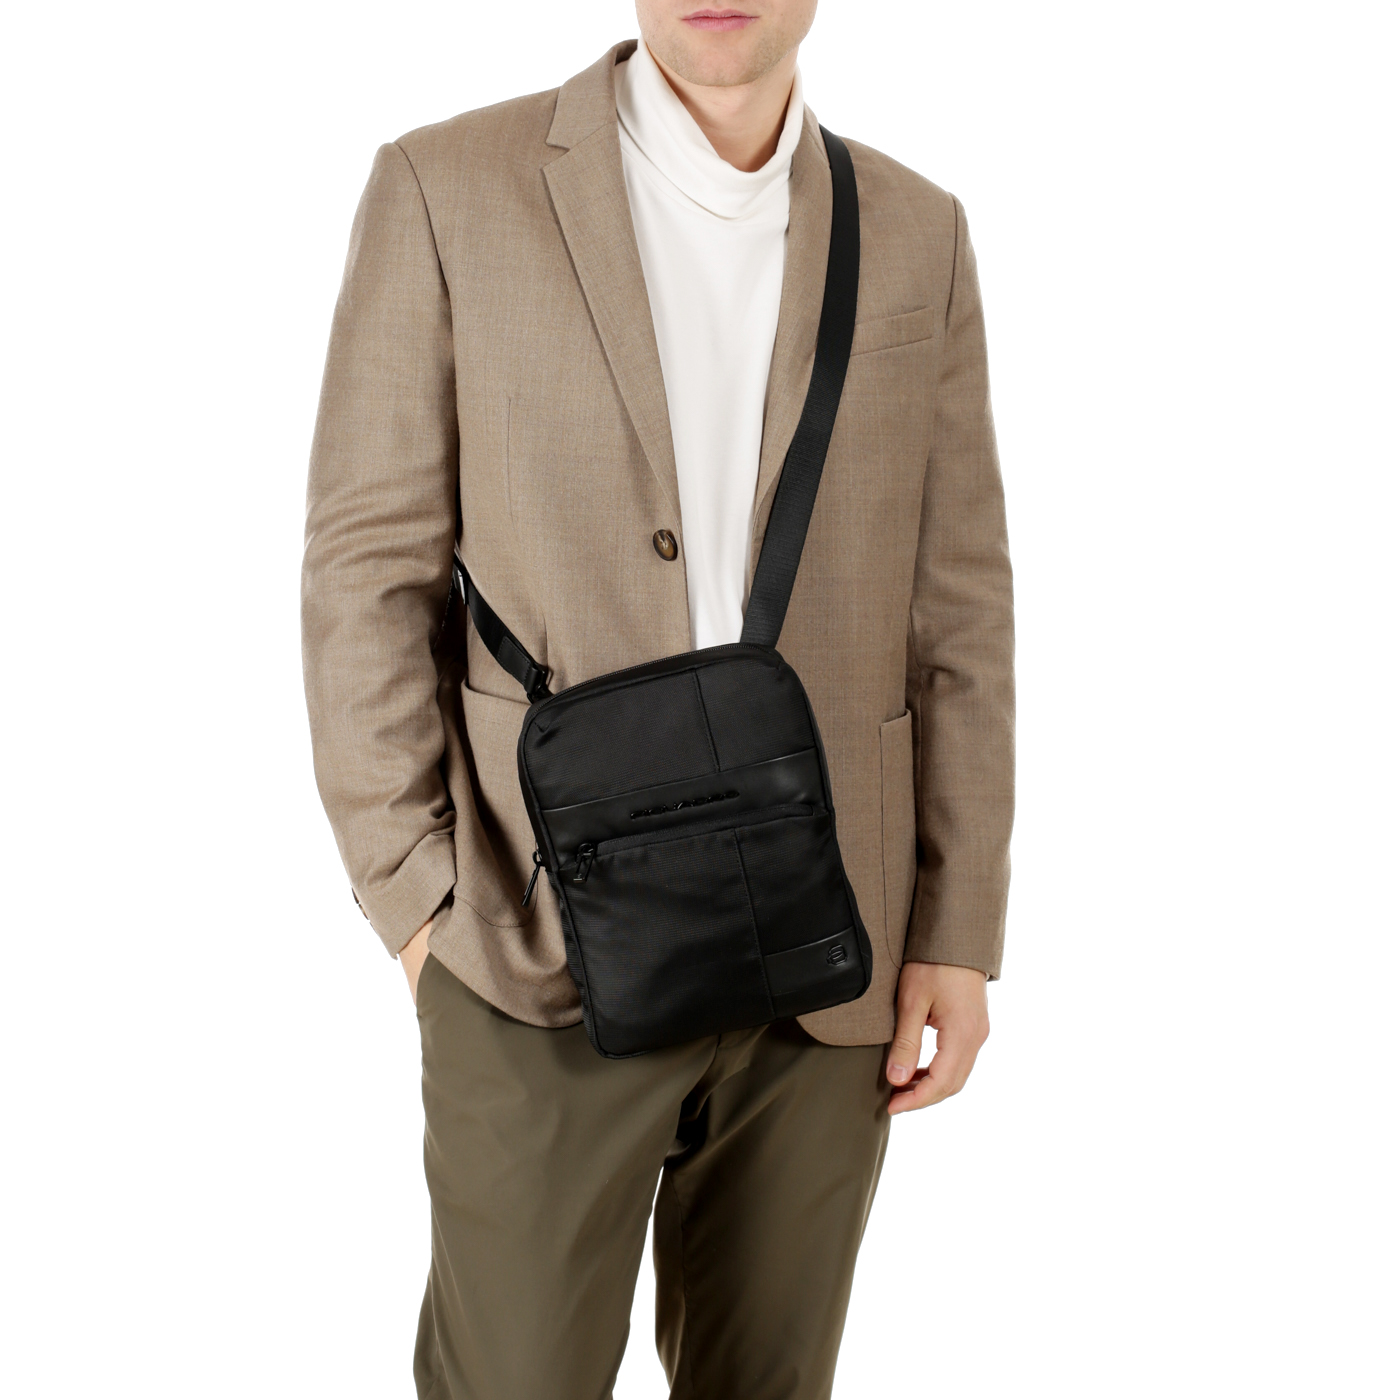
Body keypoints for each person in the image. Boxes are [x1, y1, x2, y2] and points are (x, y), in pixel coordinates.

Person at [302, 2, 1014, 1395]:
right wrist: (419, 900)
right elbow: (364, 569)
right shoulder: (446, 187)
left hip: (830, 944)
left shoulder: (918, 231)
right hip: (536, 934)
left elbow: (961, 604)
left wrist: (958, 923)